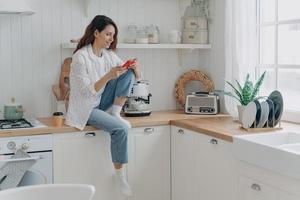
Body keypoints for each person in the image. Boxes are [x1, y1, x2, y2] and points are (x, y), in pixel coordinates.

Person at [65, 15, 141, 196]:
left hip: (102, 102)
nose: (111, 39)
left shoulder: (108, 55)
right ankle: (120, 175)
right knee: (120, 130)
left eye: (113, 36)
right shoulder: (80, 57)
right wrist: (108, 76)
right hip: (85, 108)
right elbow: (85, 93)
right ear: (96, 33)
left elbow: (133, 79)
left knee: (127, 72)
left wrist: (135, 70)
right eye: (108, 34)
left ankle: (115, 112)